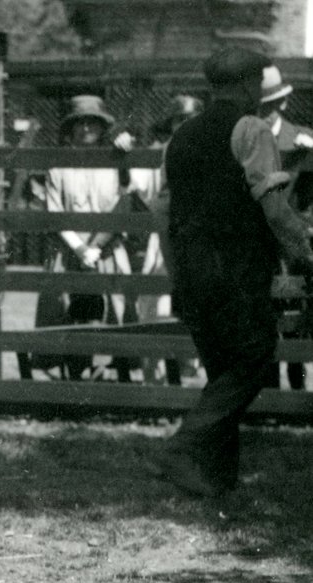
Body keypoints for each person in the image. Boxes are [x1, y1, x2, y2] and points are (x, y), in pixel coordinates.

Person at [155, 48, 313, 497]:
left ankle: (217, 480)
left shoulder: (180, 136)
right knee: (253, 358)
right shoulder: (252, 129)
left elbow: (162, 212)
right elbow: (275, 207)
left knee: (221, 370)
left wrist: (176, 274)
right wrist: (302, 252)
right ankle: (182, 448)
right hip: (237, 271)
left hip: (190, 270)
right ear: (248, 86)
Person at [31, 94, 134, 381]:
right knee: (63, 309)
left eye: (93, 122)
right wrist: (79, 248)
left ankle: (120, 377)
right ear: (70, 128)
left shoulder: (114, 159)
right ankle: (74, 378)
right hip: (69, 250)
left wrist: (97, 247)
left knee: (118, 308)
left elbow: (124, 202)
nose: (86, 128)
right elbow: (55, 211)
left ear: (102, 127)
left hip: (106, 248)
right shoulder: (58, 166)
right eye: (79, 123)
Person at [130, 94, 203, 385]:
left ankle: (191, 372)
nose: (184, 125)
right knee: (155, 301)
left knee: (198, 302)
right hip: (164, 235)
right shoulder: (158, 153)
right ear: (170, 124)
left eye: (190, 119)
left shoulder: (211, 150)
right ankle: (154, 376)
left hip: (199, 236)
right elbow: (140, 189)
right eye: (178, 119)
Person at [258, 64, 313, 390]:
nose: (262, 114)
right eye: (256, 107)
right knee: (262, 319)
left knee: (293, 317)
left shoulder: (302, 140)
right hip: (256, 245)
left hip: (291, 245)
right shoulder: (243, 140)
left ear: (281, 104)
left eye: (268, 106)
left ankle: (296, 388)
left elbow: (309, 198)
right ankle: (268, 394)